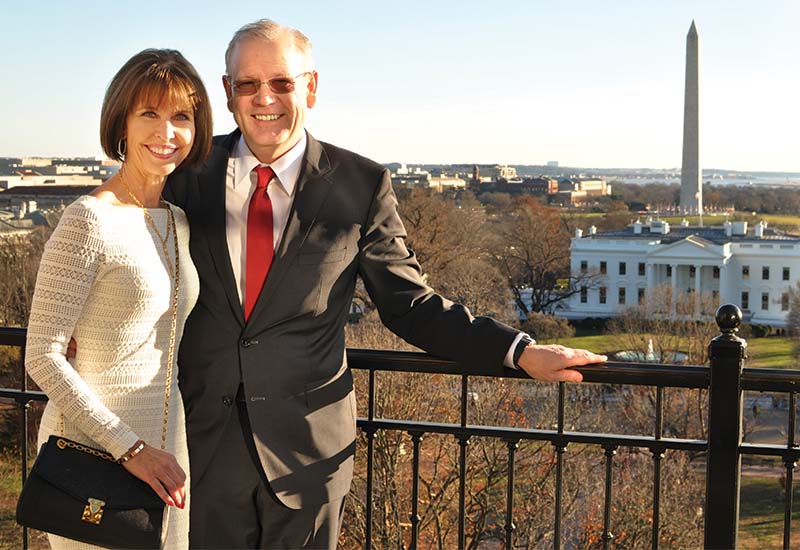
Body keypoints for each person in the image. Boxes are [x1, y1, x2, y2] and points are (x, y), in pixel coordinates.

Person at [163, 19, 606, 549]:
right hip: (199, 448)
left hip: (308, 456)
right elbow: (135, 265)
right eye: (248, 84)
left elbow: (410, 304)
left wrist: (518, 351)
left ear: (311, 86)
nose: (265, 98)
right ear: (228, 91)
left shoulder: (359, 185)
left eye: (281, 82)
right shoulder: (186, 174)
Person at [25, 48, 212, 549]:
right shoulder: (88, 220)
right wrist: (129, 449)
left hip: (168, 445)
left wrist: (153, 450)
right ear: (121, 123)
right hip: (94, 450)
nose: (166, 132)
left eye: (181, 116)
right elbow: (42, 355)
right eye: (149, 113)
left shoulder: (178, 221)